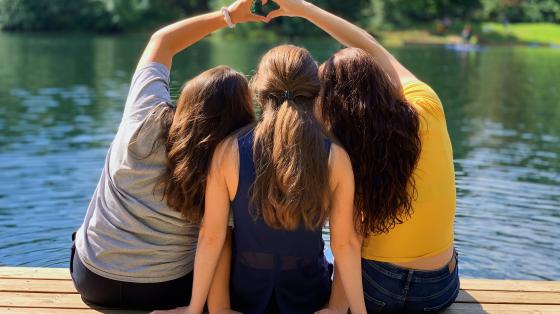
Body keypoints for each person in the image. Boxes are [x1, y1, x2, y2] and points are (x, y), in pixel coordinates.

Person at [267, 0, 459, 313]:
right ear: (382, 83)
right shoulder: (428, 107)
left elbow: (348, 243)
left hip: (378, 289)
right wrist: (304, 8)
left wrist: (336, 307)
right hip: (438, 290)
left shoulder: (345, 152)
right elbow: (369, 46)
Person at [71, 1, 263, 310]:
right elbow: (217, 241)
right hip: (166, 290)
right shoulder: (229, 159)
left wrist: (229, 15)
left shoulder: (142, 114)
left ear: (186, 97)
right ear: (241, 117)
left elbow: (162, 41)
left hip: (93, 280)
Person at [155, 43, 366, 314]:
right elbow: (344, 244)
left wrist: (194, 309)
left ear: (260, 90)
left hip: (245, 298)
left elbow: (212, 236)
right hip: (308, 298)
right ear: (315, 92)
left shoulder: (228, 151)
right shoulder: (336, 157)